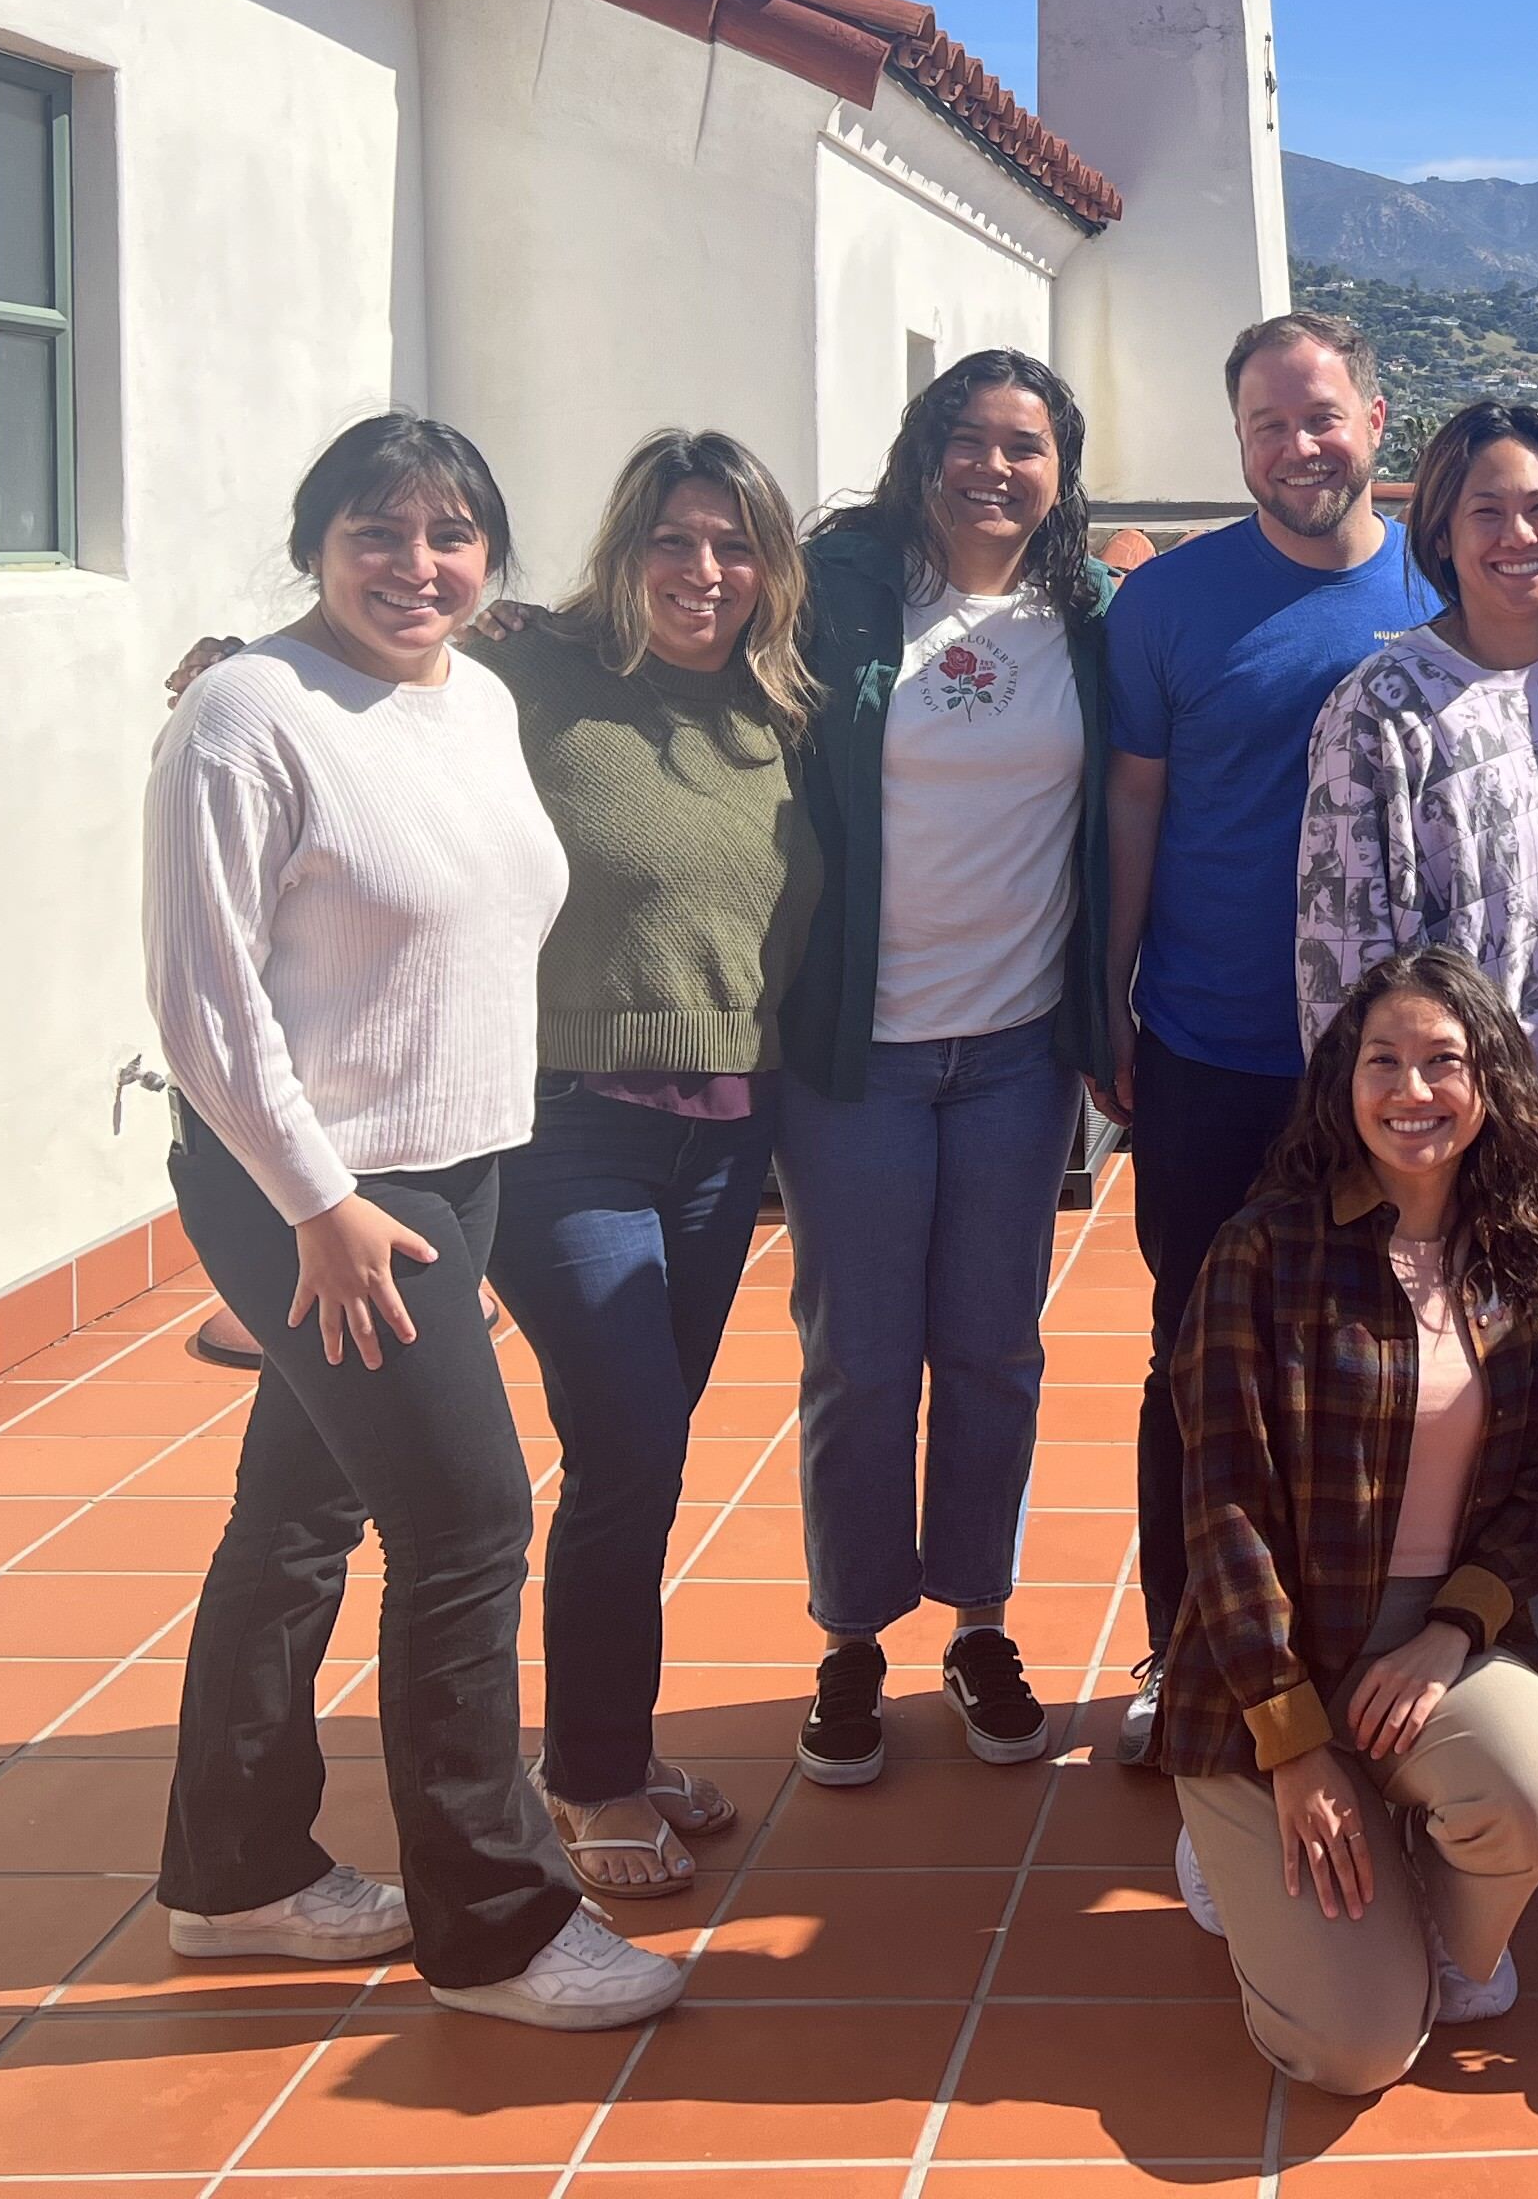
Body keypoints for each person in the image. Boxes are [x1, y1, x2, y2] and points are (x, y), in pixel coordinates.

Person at [163, 428, 826, 1897]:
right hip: (538, 1130)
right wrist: (236, 659)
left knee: (303, 1506)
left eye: (730, 544)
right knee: (603, 1459)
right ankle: (560, 1808)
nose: (700, 571)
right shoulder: (520, 678)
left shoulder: (777, 708)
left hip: (696, 1135)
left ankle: (244, 1861)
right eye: (670, 538)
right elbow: (336, 705)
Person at [1157, 948, 1538, 2093]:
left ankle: (1426, 1918)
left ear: (1488, 1084)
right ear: (1341, 1083)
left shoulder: (1516, 1246)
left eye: (1443, 1062)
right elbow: (1220, 1513)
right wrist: (1295, 1745)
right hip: (1269, 1658)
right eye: (1384, 1063)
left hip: (1433, 1648)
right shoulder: (1262, 1252)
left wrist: (1454, 1629)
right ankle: (1234, 1838)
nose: (1413, 1090)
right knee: (1354, 2050)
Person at [1102, 310, 1441, 1764]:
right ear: (1236, 441)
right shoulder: (1166, 606)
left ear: (1377, 420)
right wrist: (1098, 998)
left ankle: (1365, 1659)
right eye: (1266, 425)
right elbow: (1131, 810)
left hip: (1399, 1080)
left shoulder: (1453, 582)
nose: (1297, 447)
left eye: (1321, 417)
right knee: (1197, 1359)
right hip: (1212, 1048)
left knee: (1392, 1365)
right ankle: (1184, 1658)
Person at [780, 350, 1117, 1789]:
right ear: (923, 453)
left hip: (1015, 1053)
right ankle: (853, 1635)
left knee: (991, 1351)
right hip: (853, 1050)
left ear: (1061, 470)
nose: (996, 468)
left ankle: (979, 1623)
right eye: (968, 440)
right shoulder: (840, 589)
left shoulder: (1087, 613)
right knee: (861, 1359)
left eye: (1025, 446)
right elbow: (662, 624)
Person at [1298, 399, 1538, 1378]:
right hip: (1441, 1093)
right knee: (1451, 1391)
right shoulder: (1381, 705)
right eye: (1486, 511)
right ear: (1440, 532)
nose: (1519, 535)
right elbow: (1340, 944)